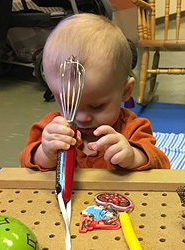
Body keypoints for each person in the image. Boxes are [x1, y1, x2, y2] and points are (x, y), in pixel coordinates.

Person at [19, 13, 170, 171]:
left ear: (126, 91)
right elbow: (26, 165)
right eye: (69, 105)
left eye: (97, 106)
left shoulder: (133, 128)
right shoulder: (50, 128)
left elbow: (161, 165)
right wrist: (46, 153)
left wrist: (134, 156)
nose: (82, 118)